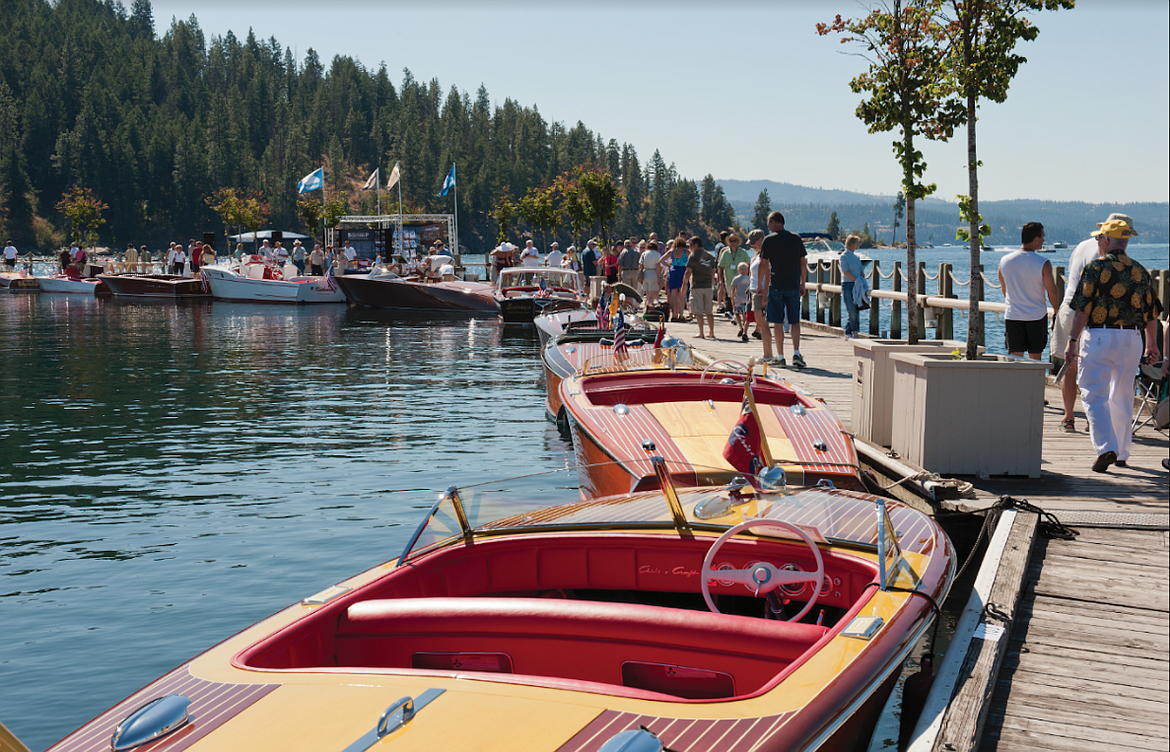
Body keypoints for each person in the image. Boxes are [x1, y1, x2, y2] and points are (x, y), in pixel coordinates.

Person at [1063, 219, 1160, 473]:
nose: (1098, 242)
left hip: (1099, 336)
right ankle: (1122, 452)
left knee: (1094, 393)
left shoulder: (1095, 268)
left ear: (1106, 241)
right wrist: (1152, 344)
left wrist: (1072, 341)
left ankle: (1106, 447)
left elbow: (1082, 310)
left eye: (1099, 238)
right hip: (1132, 339)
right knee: (1124, 393)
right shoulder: (1139, 270)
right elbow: (1152, 313)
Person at [1051, 212, 1134, 433]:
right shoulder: (1105, 252)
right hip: (1087, 314)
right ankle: (1092, 420)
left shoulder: (1080, 245)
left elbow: (1073, 277)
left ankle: (1069, 418)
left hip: (1068, 307)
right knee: (1096, 370)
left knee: (1070, 367)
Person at [998, 222, 1060, 359]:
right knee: (1035, 357)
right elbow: (1052, 292)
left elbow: (1005, 290)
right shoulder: (1043, 263)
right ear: (1036, 239)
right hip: (1036, 316)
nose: (1044, 239)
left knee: (1015, 357)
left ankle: (1016, 381)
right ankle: (1035, 381)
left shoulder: (1004, 261)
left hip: (1013, 315)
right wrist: (1056, 309)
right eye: (1043, 236)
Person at [756, 211, 808, 368]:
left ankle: (780, 356)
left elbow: (763, 263)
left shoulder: (769, 240)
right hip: (793, 285)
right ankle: (797, 354)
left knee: (777, 322)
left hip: (777, 285)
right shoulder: (795, 239)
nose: (768, 226)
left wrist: (759, 284)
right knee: (795, 321)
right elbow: (803, 263)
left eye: (768, 223)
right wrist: (803, 283)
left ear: (773, 222)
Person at [683, 236, 717, 339]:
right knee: (709, 311)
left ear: (696, 245)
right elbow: (712, 272)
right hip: (707, 286)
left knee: (698, 311)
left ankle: (701, 333)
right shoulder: (710, 256)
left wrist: (684, 285)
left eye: (690, 246)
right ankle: (711, 332)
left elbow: (688, 272)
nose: (689, 248)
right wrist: (711, 283)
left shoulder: (693, 255)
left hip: (697, 285)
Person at [718, 234, 749, 318]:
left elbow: (749, 265)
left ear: (737, 242)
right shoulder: (725, 253)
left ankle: (743, 314)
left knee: (742, 297)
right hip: (729, 279)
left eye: (734, 240)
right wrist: (720, 279)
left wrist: (749, 277)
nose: (732, 242)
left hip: (742, 280)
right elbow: (720, 266)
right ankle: (731, 313)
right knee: (729, 296)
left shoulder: (743, 252)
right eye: (730, 241)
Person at [840, 235, 865, 339]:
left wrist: (861, 279)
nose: (858, 245)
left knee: (856, 309)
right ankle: (854, 330)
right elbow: (845, 271)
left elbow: (861, 270)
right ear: (851, 243)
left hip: (857, 286)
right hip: (847, 285)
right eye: (856, 243)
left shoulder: (857, 257)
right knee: (851, 310)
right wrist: (855, 279)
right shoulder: (843, 256)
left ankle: (848, 331)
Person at [746, 229, 767, 344]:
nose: (751, 245)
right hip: (754, 290)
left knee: (763, 323)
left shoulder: (766, 255)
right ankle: (766, 352)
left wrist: (764, 293)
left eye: (753, 242)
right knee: (758, 320)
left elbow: (768, 275)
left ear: (761, 240)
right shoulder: (757, 255)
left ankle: (767, 354)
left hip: (761, 291)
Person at [666, 238, 689, 322]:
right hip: (683, 271)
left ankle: (674, 315)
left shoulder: (671, 251)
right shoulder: (685, 251)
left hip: (673, 271)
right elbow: (693, 259)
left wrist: (669, 266)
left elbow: (660, 260)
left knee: (673, 295)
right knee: (682, 295)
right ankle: (681, 315)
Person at [639, 240, 662, 311]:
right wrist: (660, 276)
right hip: (653, 273)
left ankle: (645, 308)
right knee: (651, 296)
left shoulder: (644, 253)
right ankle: (649, 309)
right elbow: (658, 266)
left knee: (647, 294)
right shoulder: (657, 254)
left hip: (645, 272)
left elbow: (640, 264)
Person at [731, 262, 752, 341]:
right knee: (744, 314)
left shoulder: (736, 278)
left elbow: (732, 290)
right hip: (746, 299)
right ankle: (744, 327)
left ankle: (741, 327)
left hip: (737, 298)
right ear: (747, 270)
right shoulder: (749, 278)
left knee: (736, 313)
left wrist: (732, 299)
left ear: (738, 270)